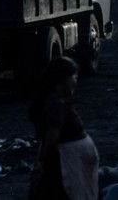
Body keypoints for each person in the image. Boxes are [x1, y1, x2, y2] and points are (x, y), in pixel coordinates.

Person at [28, 56, 99, 200]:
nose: (75, 81)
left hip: (73, 162)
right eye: (73, 76)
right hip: (68, 162)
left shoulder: (56, 101)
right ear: (62, 78)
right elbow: (50, 140)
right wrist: (44, 166)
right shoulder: (55, 104)